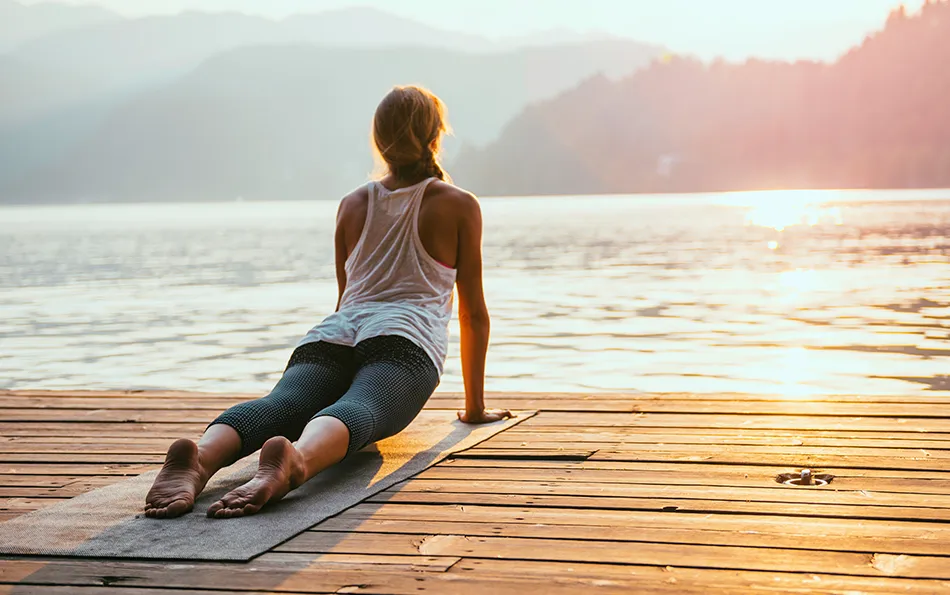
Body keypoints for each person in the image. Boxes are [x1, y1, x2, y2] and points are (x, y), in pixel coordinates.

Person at [144, 85, 511, 519]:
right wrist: (473, 409)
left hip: (332, 335)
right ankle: (296, 461)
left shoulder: (352, 204)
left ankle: (202, 456)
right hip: (404, 342)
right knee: (360, 408)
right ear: (436, 136)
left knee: (280, 406)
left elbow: (345, 297)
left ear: (379, 141)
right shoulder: (458, 204)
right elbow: (473, 314)